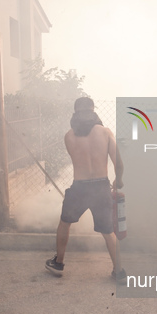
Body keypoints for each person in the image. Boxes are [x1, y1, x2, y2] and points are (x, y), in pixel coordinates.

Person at [45, 97, 126, 283]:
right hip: (101, 187)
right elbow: (118, 162)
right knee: (108, 231)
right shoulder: (105, 133)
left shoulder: (69, 136)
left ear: (75, 112)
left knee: (65, 223)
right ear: (93, 110)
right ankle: (119, 271)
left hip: (79, 187)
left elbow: (76, 156)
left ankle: (58, 263)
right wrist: (118, 180)